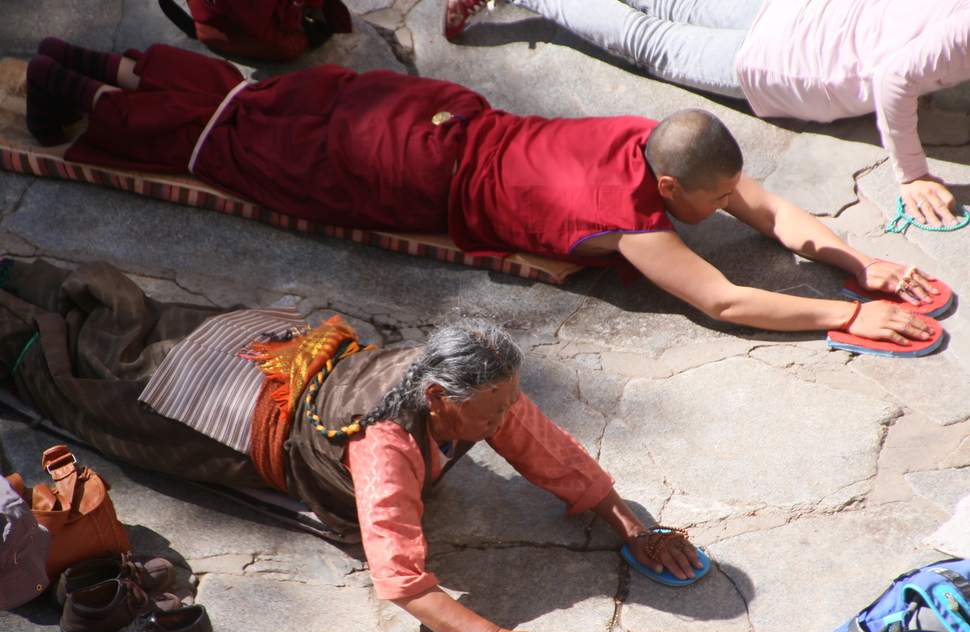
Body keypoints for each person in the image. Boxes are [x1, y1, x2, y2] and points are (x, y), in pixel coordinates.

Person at [25, 40, 938, 349]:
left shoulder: (658, 142)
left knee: (276, 105)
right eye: (709, 200)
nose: (728, 206)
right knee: (239, 147)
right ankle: (81, 95)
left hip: (428, 113)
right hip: (411, 172)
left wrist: (863, 266)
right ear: (666, 185)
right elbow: (726, 296)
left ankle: (112, 68)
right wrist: (838, 320)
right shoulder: (631, 223)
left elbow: (772, 213)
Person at [0, 257, 703, 632]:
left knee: (128, 337)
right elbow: (399, 577)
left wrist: (630, 523)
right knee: (84, 380)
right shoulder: (385, 445)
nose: (508, 413)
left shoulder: (474, 387)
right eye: (494, 405)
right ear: (437, 399)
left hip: (282, 365)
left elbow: (543, 446)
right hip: (237, 410)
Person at [444, 0, 970, 229]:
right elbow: (894, 78)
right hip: (789, 62)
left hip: (796, 13)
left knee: (667, 5)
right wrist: (914, 173)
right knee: (646, 39)